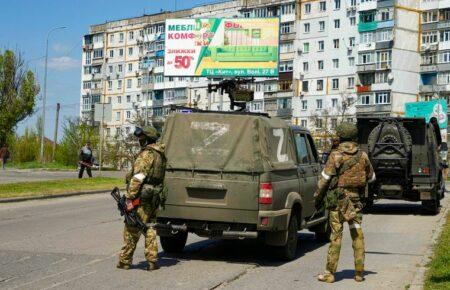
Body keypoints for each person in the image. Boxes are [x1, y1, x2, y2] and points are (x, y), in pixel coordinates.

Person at [314, 122, 376, 283]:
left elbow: (324, 181)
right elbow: (372, 178)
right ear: (354, 137)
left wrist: (317, 199)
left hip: (337, 203)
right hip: (355, 204)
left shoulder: (335, 156)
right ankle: (359, 273)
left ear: (340, 137)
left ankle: (329, 273)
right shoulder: (363, 156)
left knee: (336, 236)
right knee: (357, 234)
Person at [117, 126, 167, 271]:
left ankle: (125, 261)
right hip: (153, 197)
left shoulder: (147, 154)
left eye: (141, 138)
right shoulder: (160, 153)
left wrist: (129, 198)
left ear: (147, 139)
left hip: (141, 198)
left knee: (132, 228)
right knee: (150, 227)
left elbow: (138, 177)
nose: (139, 141)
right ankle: (152, 261)